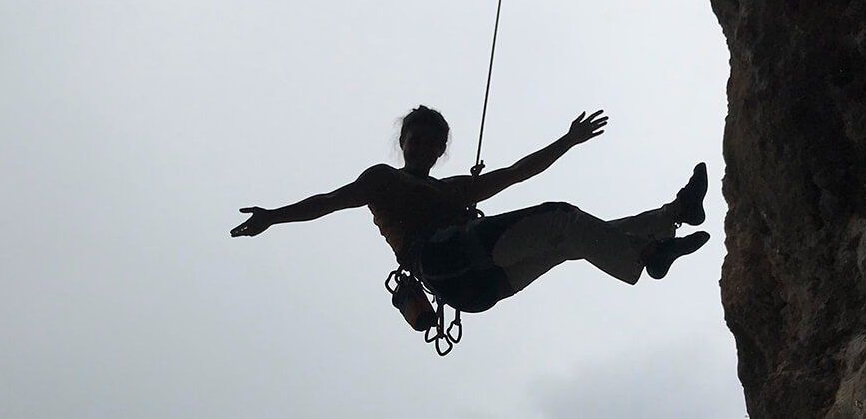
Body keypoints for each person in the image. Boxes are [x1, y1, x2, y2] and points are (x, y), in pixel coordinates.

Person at [230, 106, 709, 313]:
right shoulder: (384, 180)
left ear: (440, 150)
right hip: (443, 262)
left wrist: (568, 140)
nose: (422, 147)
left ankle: (670, 217)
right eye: (415, 139)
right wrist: (273, 216)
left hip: (480, 286)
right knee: (560, 218)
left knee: (570, 238)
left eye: (432, 142)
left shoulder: (453, 190)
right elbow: (328, 203)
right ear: (404, 142)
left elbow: (519, 172)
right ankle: (648, 254)